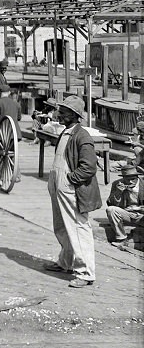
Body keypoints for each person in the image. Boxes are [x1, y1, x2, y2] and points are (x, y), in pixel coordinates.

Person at [44, 96, 102, 288]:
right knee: (61, 227)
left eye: (64, 112)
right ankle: (65, 262)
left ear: (74, 115)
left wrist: (69, 180)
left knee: (78, 228)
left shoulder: (82, 136)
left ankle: (85, 273)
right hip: (58, 185)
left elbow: (89, 168)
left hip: (71, 188)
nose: (59, 114)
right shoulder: (66, 133)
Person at [104, 162, 143, 247]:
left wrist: (139, 209)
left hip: (142, 214)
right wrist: (118, 193)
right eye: (127, 179)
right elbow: (110, 203)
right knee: (111, 210)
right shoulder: (117, 184)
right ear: (123, 178)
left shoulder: (143, 184)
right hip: (128, 214)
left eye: (133, 179)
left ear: (137, 177)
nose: (130, 181)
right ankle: (122, 238)